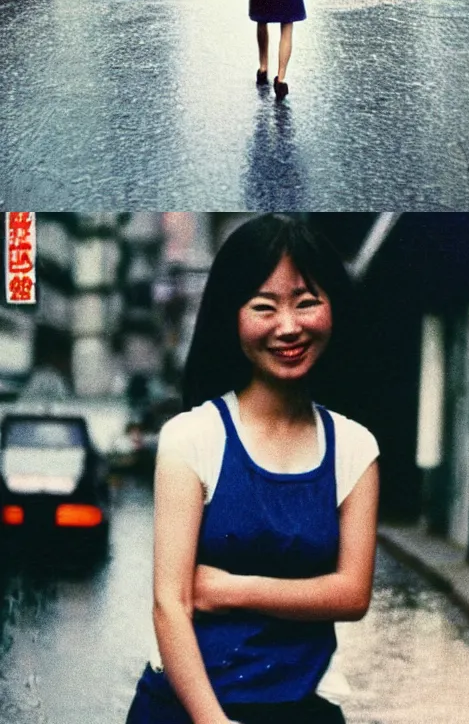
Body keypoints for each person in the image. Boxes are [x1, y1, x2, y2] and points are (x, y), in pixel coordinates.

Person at [124, 216, 379, 724]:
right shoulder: (191, 437)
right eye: (264, 307)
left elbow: (351, 594)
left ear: (333, 309)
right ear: (232, 317)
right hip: (187, 708)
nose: (289, 326)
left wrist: (228, 589)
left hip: (296, 709)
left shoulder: (354, 446)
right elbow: (171, 606)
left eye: (306, 301)